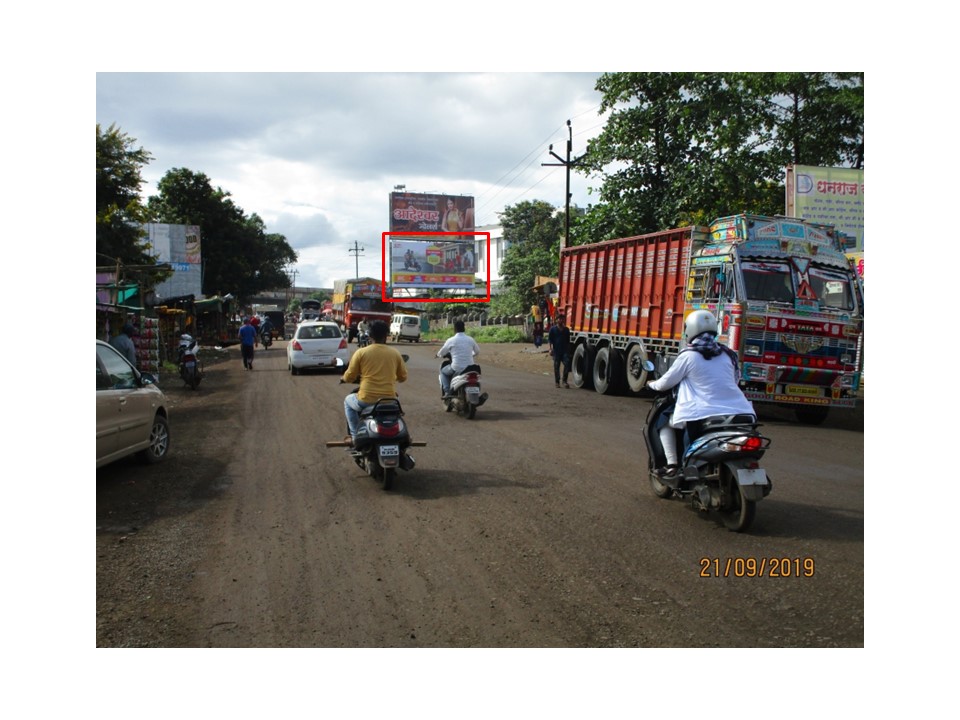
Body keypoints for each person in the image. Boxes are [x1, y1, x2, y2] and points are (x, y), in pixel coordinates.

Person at [646, 310, 755, 478]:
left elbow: (666, 383)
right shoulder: (728, 354)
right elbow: (735, 380)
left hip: (704, 412)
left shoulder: (689, 356)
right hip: (741, 410)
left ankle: (673, 465)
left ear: (690, 330)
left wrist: (651, 384)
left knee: (664, 422)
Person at [341, 320, 408, 444]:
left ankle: (355, 436)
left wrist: (344, 379)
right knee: (397, 413)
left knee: (347, 401)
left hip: (365, 399)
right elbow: (403, 377)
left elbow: (350, 375)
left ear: (370, 335)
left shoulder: (361, 352)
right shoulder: (395, 353)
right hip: (390, 399)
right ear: (386, 335)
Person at [436, 320, 480, 398]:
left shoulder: (451, 340)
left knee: (443, 371)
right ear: (464, 328)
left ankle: (447, 392)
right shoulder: (470, 339)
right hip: (470, 368)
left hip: (456, 368)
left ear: (454, 329)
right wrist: (471, 355)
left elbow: (442, 352)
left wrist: (438, 355)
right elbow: (477, 351)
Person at [548, 314, 572, 388]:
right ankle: (557, 382)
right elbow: (550, 340)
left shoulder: (566, 330)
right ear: (556, 320)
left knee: (567, 364)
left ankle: (564, 381)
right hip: (556, 351)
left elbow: (568, 341)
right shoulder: (552, 329)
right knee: (556, 366)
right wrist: (550, 349)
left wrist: (569, 351)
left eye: (562, 319)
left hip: (564, 351)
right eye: (559, 319)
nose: (561, 320)